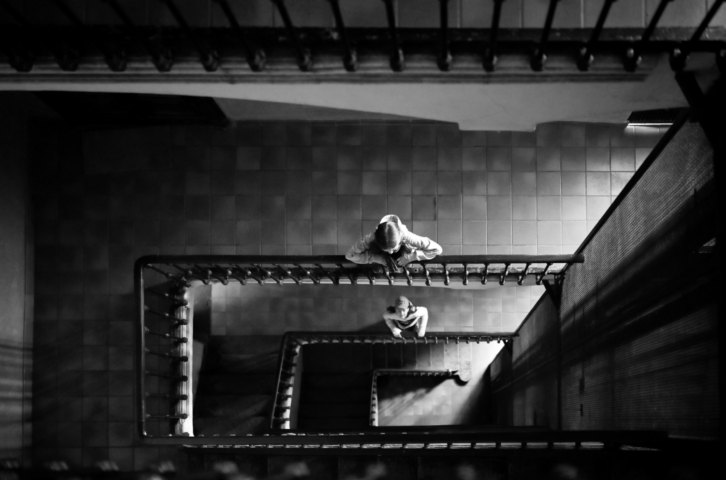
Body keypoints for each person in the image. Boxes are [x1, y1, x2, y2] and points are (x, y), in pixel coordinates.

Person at [345, 214, 442, 272]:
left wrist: (411, 257)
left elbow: (437, 249)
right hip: (379, 260)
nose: (391, 252)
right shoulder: (371, 238)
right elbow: (350, 255)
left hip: (405, 255)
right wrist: (377, 258)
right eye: (386, 250)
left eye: (394, 249)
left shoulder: (406, 236)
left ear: (401, 240)